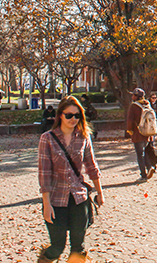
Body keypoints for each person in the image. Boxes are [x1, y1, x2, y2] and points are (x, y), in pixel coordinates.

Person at [37, 96, 104, 263]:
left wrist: (100, 193)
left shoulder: (84, 137)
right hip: (55, 199)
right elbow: (44, 173)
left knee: (78, 247)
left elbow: (92, 167)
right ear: (60, 115)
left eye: (77, 115)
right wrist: (46, 204)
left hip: (79, 198)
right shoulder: (47, 138)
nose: (73, 119)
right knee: (57, 247)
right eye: (69, 115)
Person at [126, 88, 157, 181]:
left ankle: (143, 175)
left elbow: (130, 120)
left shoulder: (134, 106)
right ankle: (149, 168)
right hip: (148, 133)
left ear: (136, 96)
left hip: (138, 133)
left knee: (140, 154)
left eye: (133, 95)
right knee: (145, 152)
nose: (132, 96)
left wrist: (129, 130)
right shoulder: (147, 104)